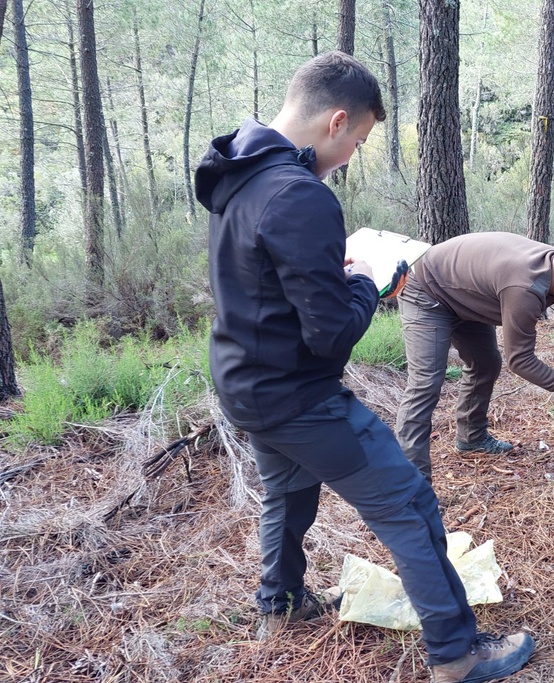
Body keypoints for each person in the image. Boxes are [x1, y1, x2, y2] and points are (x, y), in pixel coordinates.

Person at [194, 51, 534, 683]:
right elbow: (329, 338)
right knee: (407, 503)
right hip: (298, 396)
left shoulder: (240, 171)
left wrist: (331, 281)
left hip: (242, 382)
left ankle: (281, 606)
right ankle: (457, 654)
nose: (353, 153)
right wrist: (369, 285)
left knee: (289, 493)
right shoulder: (300, 196)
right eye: (360, 140)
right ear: (338, 121)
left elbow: (268, 288)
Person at [396, 232, 554, 482]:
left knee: (485, 363)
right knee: (425, 383)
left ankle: (471, 438)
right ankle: (411, 490)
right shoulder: (524, 288)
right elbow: (519, 360)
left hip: (463, 295)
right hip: (426, 291)